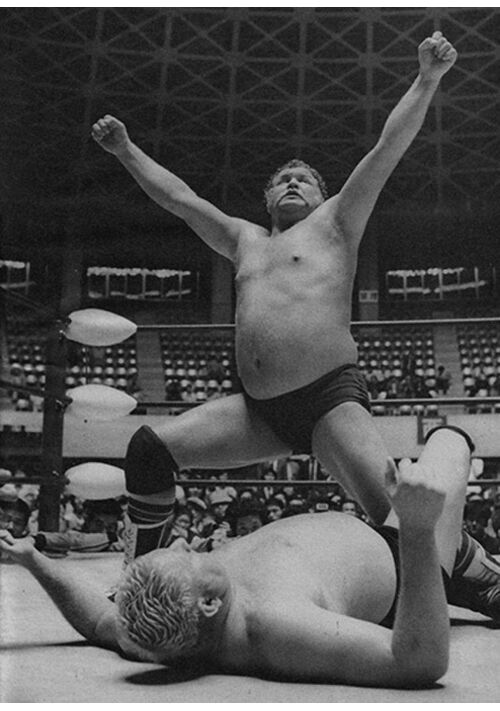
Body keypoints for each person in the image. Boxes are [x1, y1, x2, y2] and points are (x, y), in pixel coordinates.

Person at [91, 32, 457, 559]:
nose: (292, 182)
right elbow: (180, 200)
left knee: (401, 522)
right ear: (266, 200)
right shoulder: (245, 240)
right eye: (284, 179)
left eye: (304, 179)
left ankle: (479, 576)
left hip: (329, 399)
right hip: (260, 412)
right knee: (149, 450)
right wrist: (125, 150)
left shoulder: (337, 222)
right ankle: (143, 574)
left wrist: (426, 79)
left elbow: (386, 149)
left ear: (322, 195)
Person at [2, 427, 500, 688]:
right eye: (186, 559)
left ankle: (467, 565)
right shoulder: (276, 625)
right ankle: (455, 560)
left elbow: (97, 620)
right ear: (209, 605)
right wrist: (417, 528)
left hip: (376, 535)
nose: (183, 545)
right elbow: (416, 661)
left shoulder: (152, 634)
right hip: (405, 565)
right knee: (448, 442)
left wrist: (35, 562)